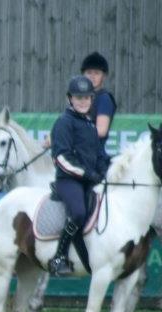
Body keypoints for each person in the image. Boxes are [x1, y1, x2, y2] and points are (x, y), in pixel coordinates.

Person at [48, 75, 110, 277]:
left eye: (86, 97)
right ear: (70, 99)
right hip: (68, 181)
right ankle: (59, 257)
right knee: (78, 213)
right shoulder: (64, 123)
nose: (83, 101)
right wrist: (88, 173)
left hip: (89, 180)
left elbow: (99, 154)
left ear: (92, 99)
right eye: (78, 97)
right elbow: (61, 158)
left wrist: (104, 168)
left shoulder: (91, 126)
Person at [81, 52, 117, 161]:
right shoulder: (78, 98)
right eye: (89, 72)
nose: (92, 76)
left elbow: (101, 131)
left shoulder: (104, 99)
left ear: (104, 76)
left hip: (94, 157)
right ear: (83, 75)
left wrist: (72, 133)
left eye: (96, 73)